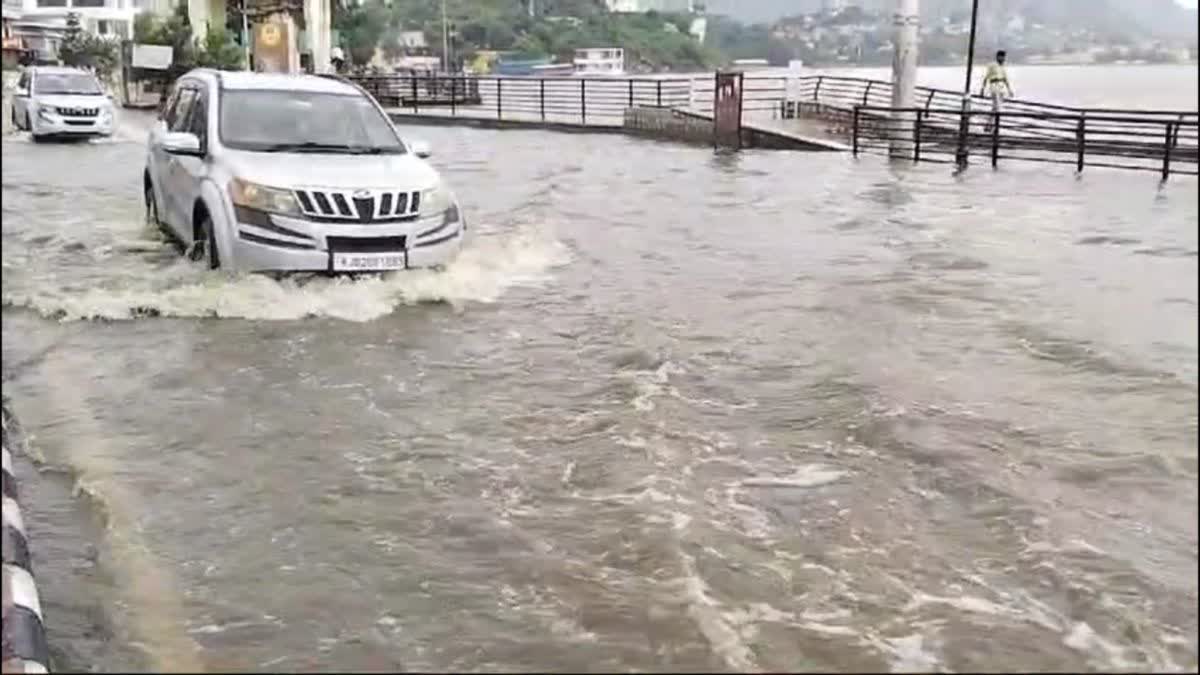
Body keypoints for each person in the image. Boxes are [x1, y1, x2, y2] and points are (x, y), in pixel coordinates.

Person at [980, 50, 1014, 131]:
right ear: (998, 57)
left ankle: (988, 125)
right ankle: (995, 127)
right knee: (998, 107)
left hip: (1001, 86)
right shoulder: (992, 65)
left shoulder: (1003, 67)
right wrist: (982, 89)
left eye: (1004, 57)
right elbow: (986, 77)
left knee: (995, 108)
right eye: (1001, 57)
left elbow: (1006, 79)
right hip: (994, 85)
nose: (1003, 58)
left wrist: (1009, 90)